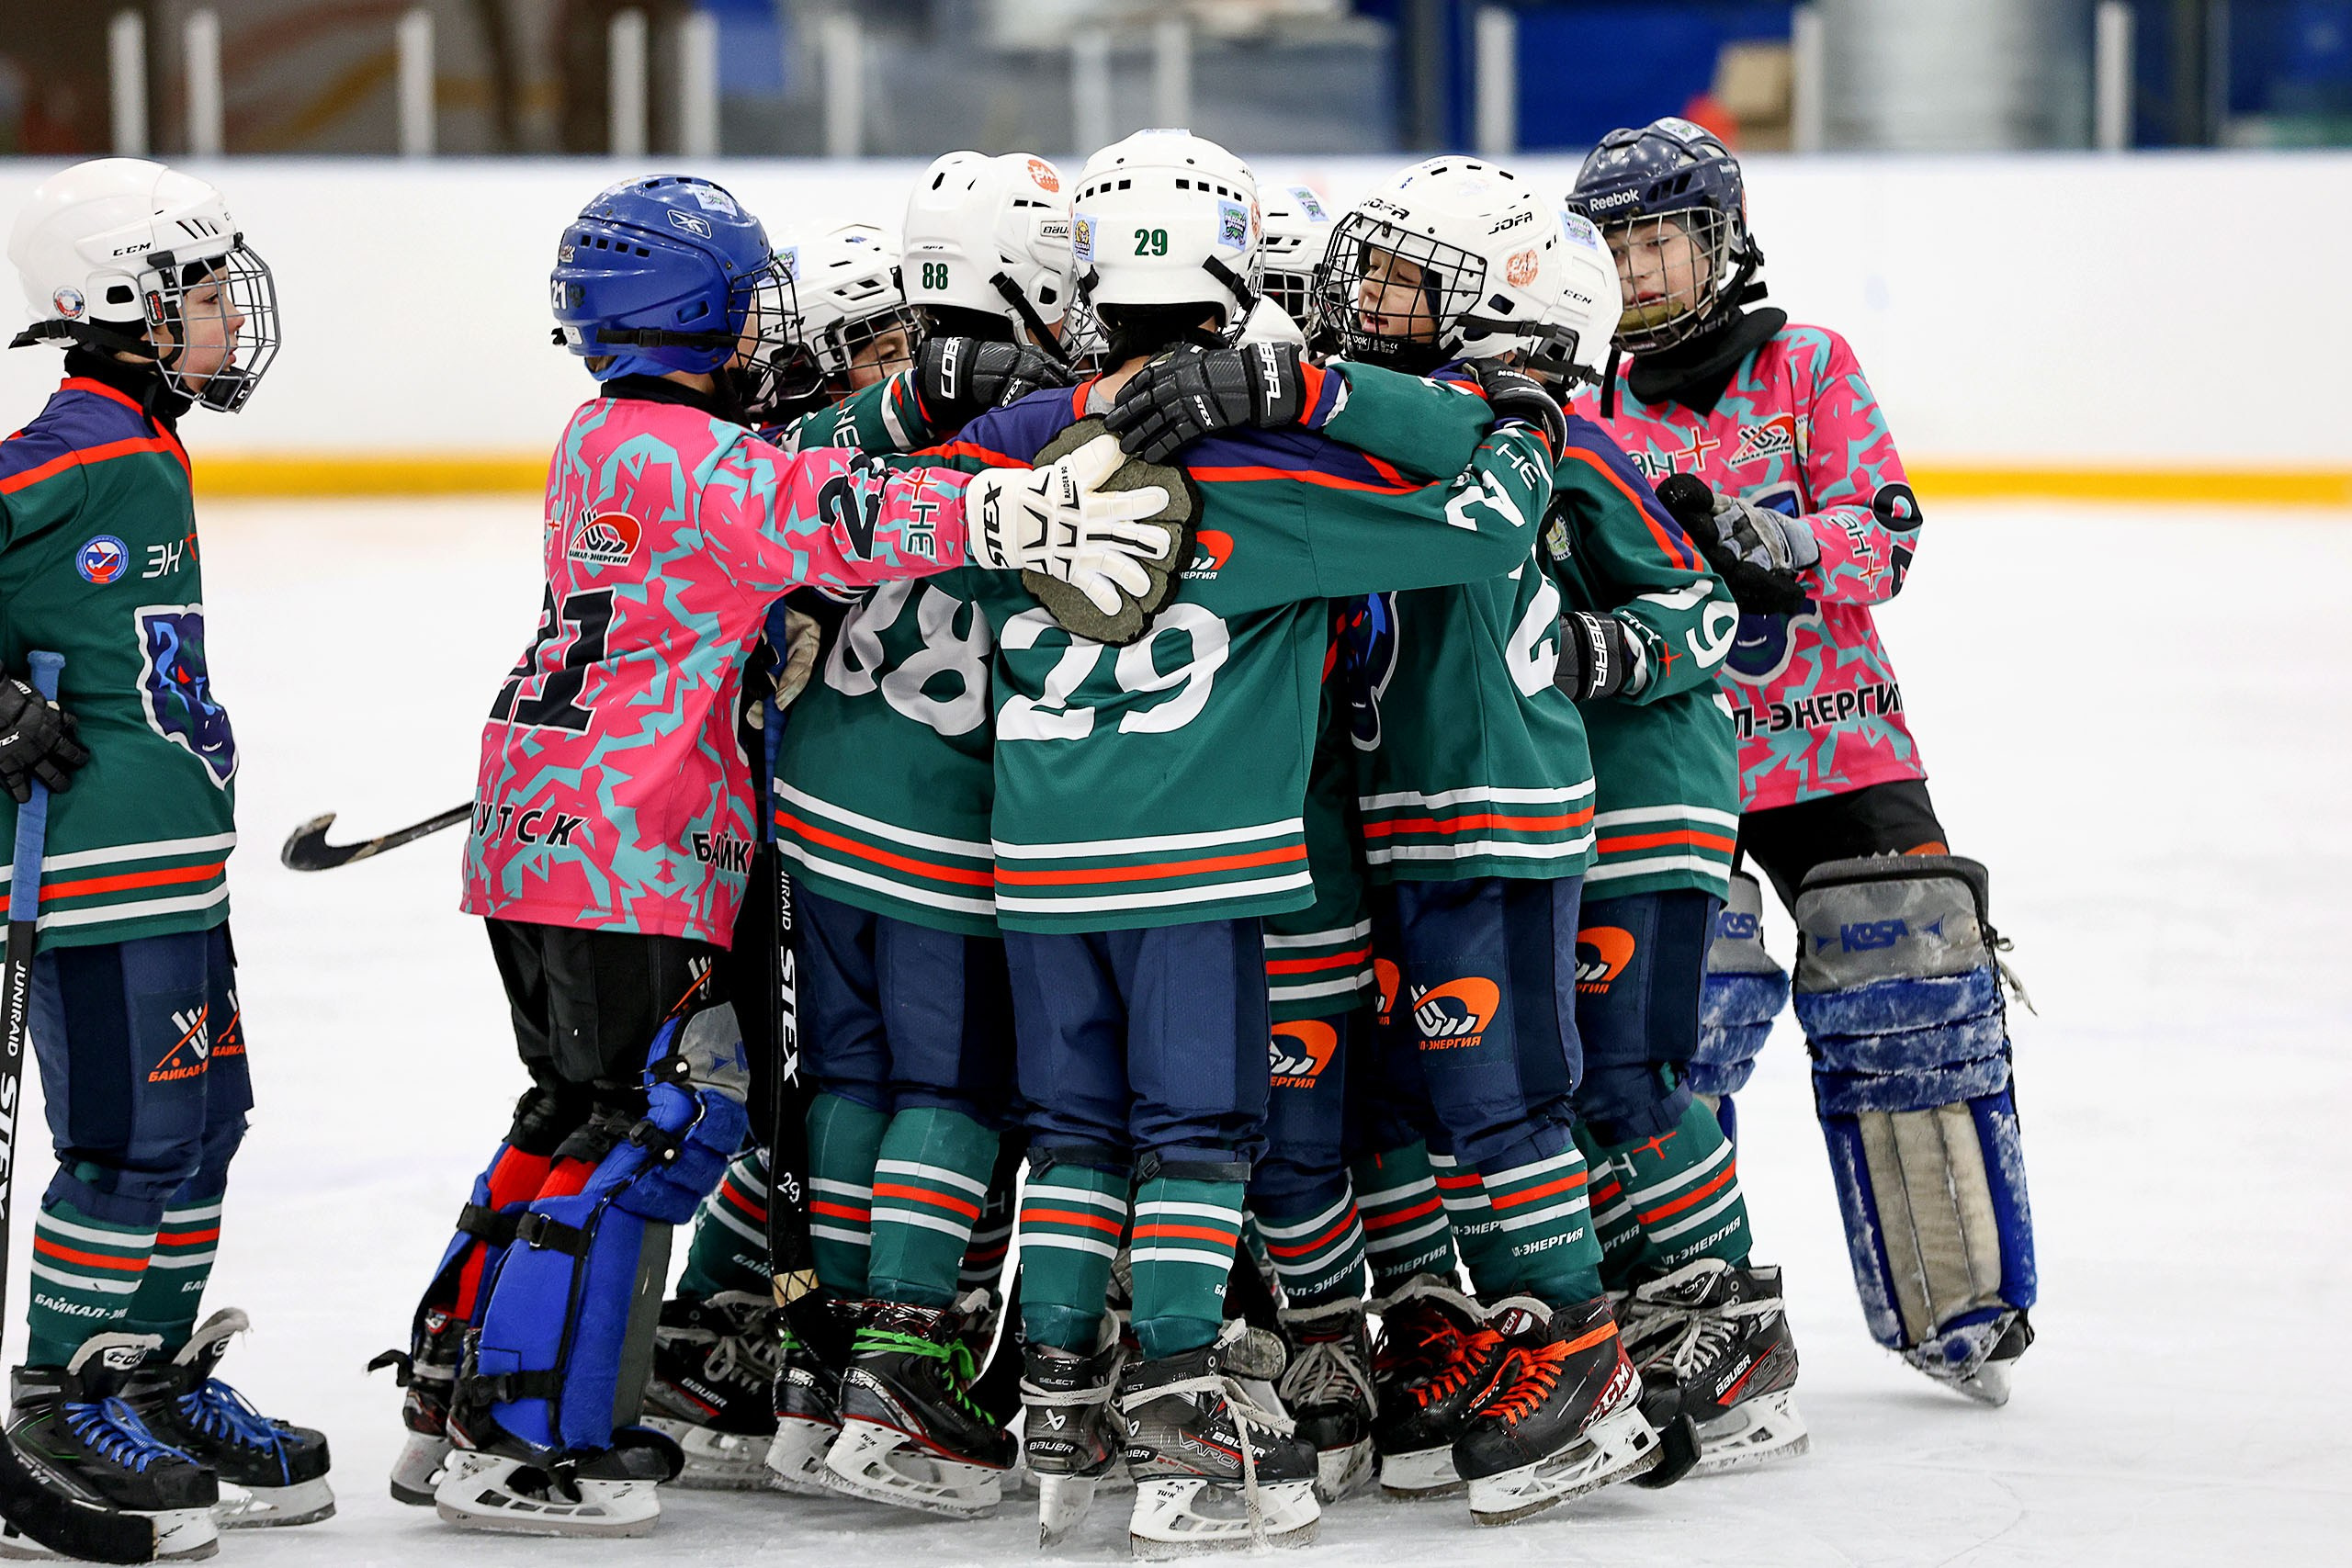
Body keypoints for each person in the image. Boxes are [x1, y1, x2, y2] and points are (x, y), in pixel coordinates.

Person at [379, 172, 1182, 1538]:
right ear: (700, 313)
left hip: (537, 825)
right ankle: (524, 1436)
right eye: (748, 305)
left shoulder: (602, 437)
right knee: (655, 1124)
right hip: (635, 845)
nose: (766, 328)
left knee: (569, 1113)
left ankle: (456, 1380)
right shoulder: (709, 465)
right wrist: (1029, 512)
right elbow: (852, 514)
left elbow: (771, 518)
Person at [956, 130, 1568, 1553]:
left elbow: (860, 482)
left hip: (1032, 863)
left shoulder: (1010, 445)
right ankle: (1179, 1394)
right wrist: (1491, 414)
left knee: (1076, 1133)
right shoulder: (1275, 473)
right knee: (1199, 1132)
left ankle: (1061, 1392)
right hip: (1196, 868)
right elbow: (1485, 519)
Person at [1109, 155, 1692, 1525]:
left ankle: (1584, 1352)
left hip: (1492, 819)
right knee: (1420, 1103)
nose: (1365, 297)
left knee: (1504, 1098)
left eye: (1402, 279)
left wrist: (1298, 386)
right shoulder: (1416, 427)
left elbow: (1690, 601)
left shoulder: (1508, 424)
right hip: (1404, 827)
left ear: (1500, 305)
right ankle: (1475, 1328)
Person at [1569, 117, 2037, 1404]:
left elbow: (1883, 544)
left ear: (1719, 240)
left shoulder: (1808, 365)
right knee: (1678, 1032)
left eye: (1659, 240)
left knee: (1913, 1004)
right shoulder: (1581, 405)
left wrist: (1760, 538)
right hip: (1671, 764)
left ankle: (1958, 1303)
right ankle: (1674, 1307)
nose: (1636, 269)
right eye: (1614, 246)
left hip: (1841, 747)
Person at [0, 156, 327, 1555]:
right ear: (121, 303)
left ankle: (145, 1376)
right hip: (87, 872)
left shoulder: (143, 441)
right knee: (129, 1145)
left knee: (205, 1126)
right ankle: (58, 1406)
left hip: (174, 863)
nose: (228, 317)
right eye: (200, 294)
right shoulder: (74, 445)